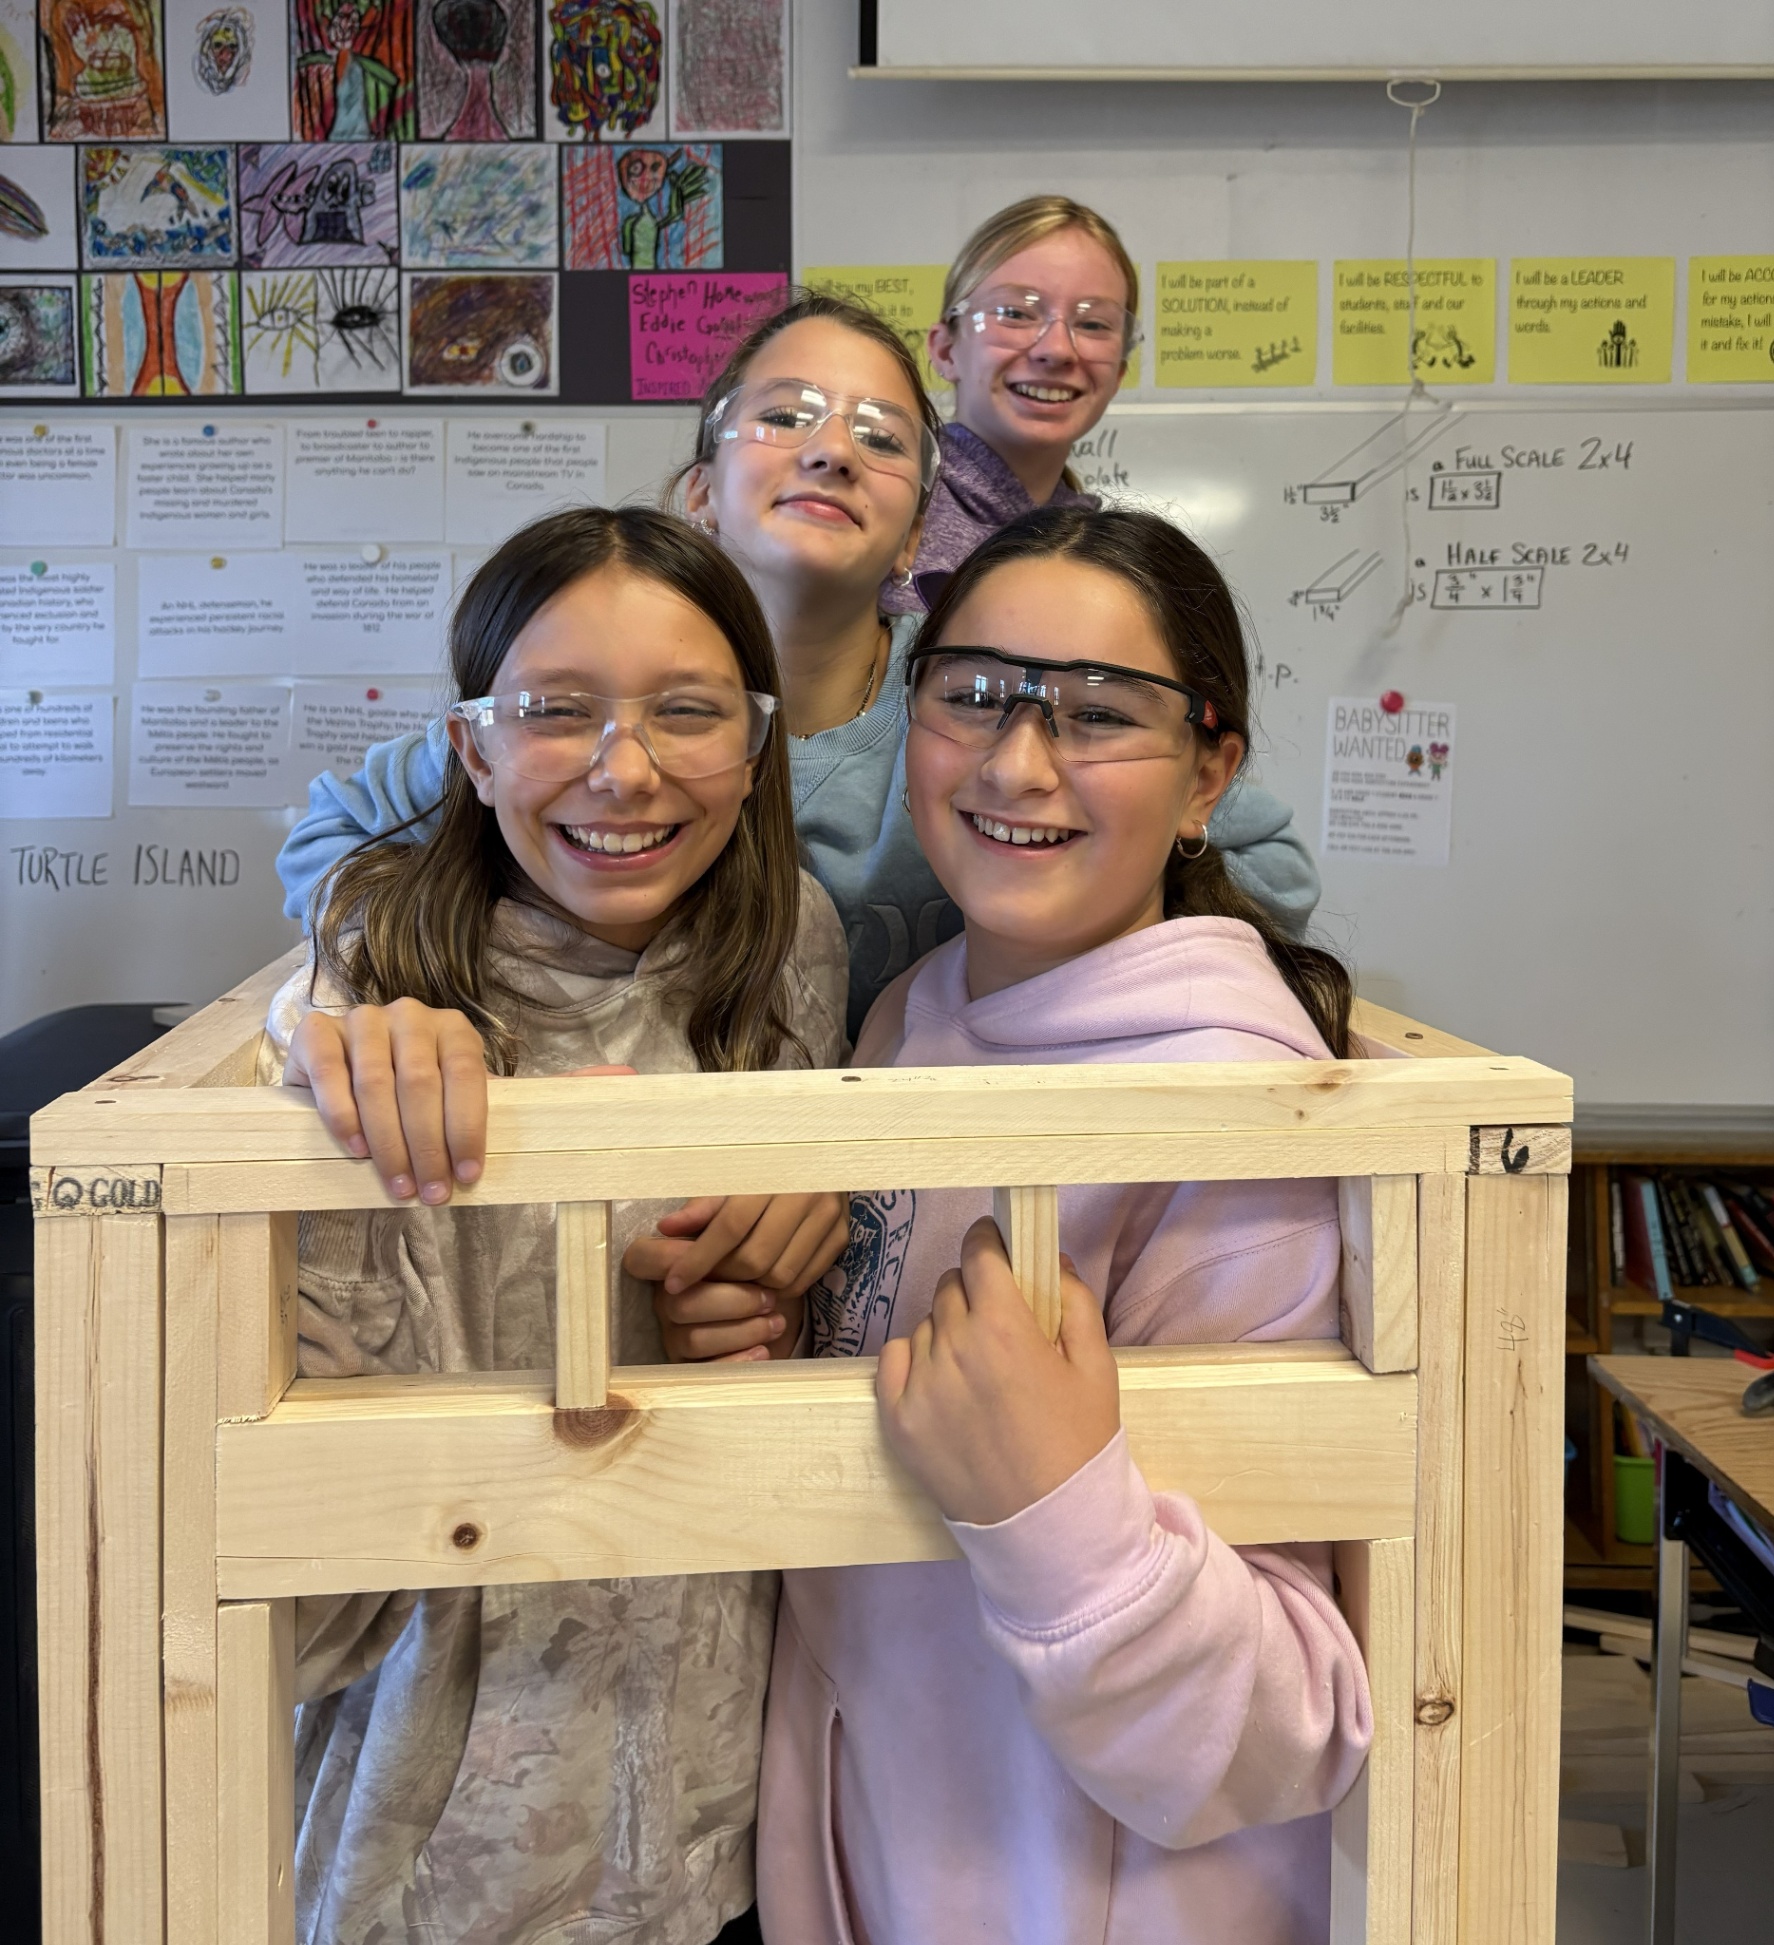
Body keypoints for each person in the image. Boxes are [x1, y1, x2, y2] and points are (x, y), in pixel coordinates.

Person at [276, 282, 1319, 1150]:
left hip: (919, 1147)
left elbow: (1245, 847)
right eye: (783, 416)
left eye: (880, 435)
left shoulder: (979, 707)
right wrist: (388, 991)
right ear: (698, 492)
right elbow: (338, 838)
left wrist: (1057, 986)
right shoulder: (577, 719)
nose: (830, 451)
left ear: (917, 533)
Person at [759, 504, 1372, 1945]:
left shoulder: (1234, 1114)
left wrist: (1053, 1512)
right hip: (887, 1839)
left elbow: (1293, 1722)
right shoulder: (920, 1009)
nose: (1018, 761)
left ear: (1211, 773)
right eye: (972, 694)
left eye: (1101, 714)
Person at [271, 505, 847, 1945]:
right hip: (442, 1822)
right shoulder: (378, 992)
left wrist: (771, 1283)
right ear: (470, 750)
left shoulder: (792, 947)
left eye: (689, 712)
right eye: (556, 713)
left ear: (760, 742)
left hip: (715, 1797)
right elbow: (305, 1555)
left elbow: (770, 1300)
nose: (625, 771)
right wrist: (316, 1040)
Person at [880, 193, 1142, 612]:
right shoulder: (882, 506)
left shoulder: (1107, 558)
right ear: (946, 350)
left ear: (1118, 375)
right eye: (1017, 314)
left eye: (1092, 324)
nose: (1057, 350)